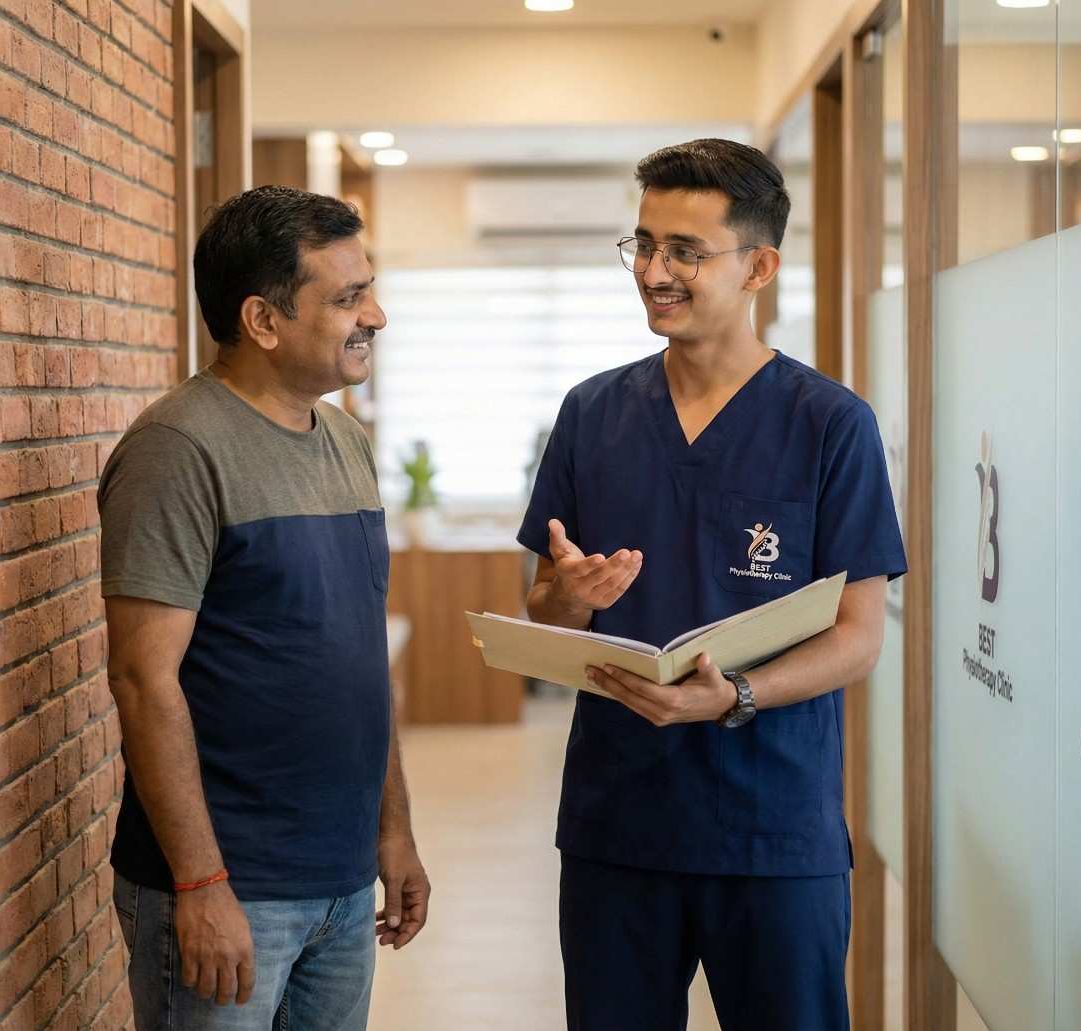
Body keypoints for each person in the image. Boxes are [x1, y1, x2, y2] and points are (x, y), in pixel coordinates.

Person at [518, 139, 905, 1030]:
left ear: (759, 265)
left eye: (685, 251)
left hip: (774, 832)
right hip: (620, 825)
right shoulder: (590, 415)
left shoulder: (830, 425)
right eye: (644, 245)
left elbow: (858, 633)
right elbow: (544, 604)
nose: (654, 271)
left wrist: (733, 695)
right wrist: (574, 595)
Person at [99, 186, 430, 1031]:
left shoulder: (347, 443)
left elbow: (356, 660)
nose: (377, 316)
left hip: (343, 883)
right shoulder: (178, 450)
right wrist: (202, 886)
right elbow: (143, 681)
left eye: (370, 289)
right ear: (263, 319)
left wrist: (393, 832)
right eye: (348, 297)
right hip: (231, 890)